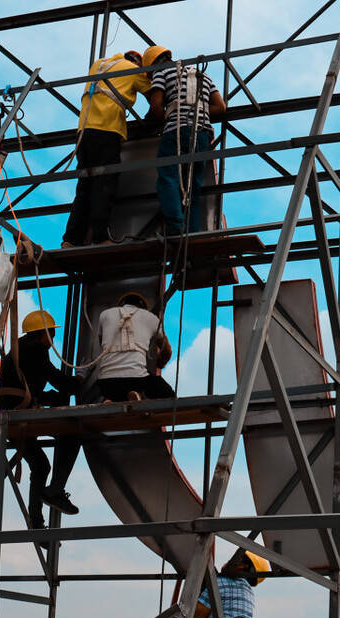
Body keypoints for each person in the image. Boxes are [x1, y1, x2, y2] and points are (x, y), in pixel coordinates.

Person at [62, 46, 164, 247]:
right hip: (107, 130)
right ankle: (100, 237)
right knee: (104, 184)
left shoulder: (99, 64)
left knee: (84, 187)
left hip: (84, 132)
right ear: (138, 63)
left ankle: (70, 240)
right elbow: (155, 99)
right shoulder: (133, 71)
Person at [0, 309, 82, 528]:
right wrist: (82, 380)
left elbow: (35, 386)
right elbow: (59, 382)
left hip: (8, 415)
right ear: (42, 334)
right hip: (19, 414)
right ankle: (55, 491)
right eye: (51, 333)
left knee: (41, 465)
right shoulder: (37, 350)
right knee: (72, 434)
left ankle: (36, 521)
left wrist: (55, 396)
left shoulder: (17, 351)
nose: (52, 339)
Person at [147, 51, 226, 235]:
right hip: (202, 134)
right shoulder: (202, 75)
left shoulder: (161, 72)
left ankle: (176, 228)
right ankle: (192, 233)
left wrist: (166, 116)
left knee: (168, 178)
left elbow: (156, 105)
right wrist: (197, 109)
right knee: (193, 187)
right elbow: (220, 107)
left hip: (176, 131)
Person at [94, 291, 175, 402]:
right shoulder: (151, 317)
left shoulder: (105, 315)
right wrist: (160, 363)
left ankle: (111, 399)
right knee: (168, 395)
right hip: (136, 380)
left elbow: (101, 343)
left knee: (114, 387)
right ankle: (135, 396)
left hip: (105, 382)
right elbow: (167, 350)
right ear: (142, 308)